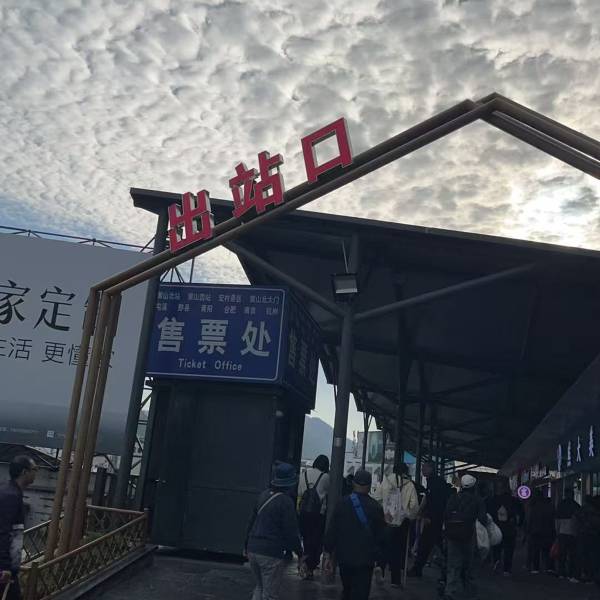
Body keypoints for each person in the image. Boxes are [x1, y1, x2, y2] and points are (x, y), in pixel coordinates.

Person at [324, 469, 386, 600]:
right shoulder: (376, 507)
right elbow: (381, 537)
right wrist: (380, 561)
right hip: (365, 560)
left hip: (344, 558)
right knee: (360, 594)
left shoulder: (342, 503)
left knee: (347, 590)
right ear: (369, 486)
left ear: (353, 483)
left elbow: (332, 530)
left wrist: (328, 554)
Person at [246, 462, 303, 600]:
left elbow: (251, 522)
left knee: (259, 587)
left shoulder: (263, 495)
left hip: (253, 548)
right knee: (270, 594)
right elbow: (291, 532)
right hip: (270, 552)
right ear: (290, 483)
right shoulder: (286, 502)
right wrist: (299, 552)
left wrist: (245, 545)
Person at [372, 463, 418, 587]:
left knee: (383, 546)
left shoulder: (386, 482)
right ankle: (395, 580)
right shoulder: (409, 485)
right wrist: (409, 516)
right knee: (397, 550)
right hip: (401, 524)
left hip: (385, 520)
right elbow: (414, 506)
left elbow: (376, 498)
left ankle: (380, 568)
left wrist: (384, 513)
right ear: (405, 472)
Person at [443, 473, 487, 600]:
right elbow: (482, 519)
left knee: (453, 565)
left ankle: (450, 591)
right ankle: (470, 593)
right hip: (470, 535)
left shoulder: (453, 498)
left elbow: (446, 514)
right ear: (474, 486)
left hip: (452, 535)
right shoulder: (478, 500)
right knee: (470, 566)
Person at [0, 456, 37, 600]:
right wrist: (4, 566)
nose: (36, 473)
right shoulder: (10, 496)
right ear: (24, 472)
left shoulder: (10, 492)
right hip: (4, 570)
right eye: (34, 469)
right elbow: (3, 531)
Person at [408, 461, 451, 578]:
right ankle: (420, 568)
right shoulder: (433, 481)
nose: (422, 470)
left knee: (426, 544)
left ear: (431, 468)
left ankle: (419, 569)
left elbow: (436, 502)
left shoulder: (435, 483)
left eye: (424, 468)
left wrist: (429, 516)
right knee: (431, 544)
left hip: (434, 519)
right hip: (436, 518)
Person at [297, 455, 330, 580]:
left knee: (306, 540)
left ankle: (305, 562)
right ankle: (310, 566)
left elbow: (300, 493)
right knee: (317, 540)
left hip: (304, 513)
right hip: (318, 515)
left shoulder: (303, 475)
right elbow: (329, 494)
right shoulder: (325, 477)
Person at [487, 478, 523, 576]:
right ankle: (507, 569)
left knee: (496, 547)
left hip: (496, 528)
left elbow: (488, 515)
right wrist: (519, 525)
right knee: (509, 549)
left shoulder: (493, 500)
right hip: (510, 528)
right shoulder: (514, 501)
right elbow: (521, 514)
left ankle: (496, 561)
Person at [526, 489, 555, 574]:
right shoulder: (549, 506)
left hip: (535, 531)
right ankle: (549, 567)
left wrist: (528, 531)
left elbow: (529, 520)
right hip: (548, 531)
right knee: (547, 550)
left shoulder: (533, 507)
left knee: (536, 551)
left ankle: (536, 568)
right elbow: (553, 519)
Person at [555, 488, 580, 582]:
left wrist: (557, 532)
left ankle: (561, 573)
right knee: (572, 554)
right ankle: (571, 573)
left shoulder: (561, 505)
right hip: (573, 533)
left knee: (562, 554)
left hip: (562, 532)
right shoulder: (576, 505)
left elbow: (557, 520)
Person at [575, 495, 600, 583]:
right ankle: (591, 575)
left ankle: (585, 574)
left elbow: (576, 518)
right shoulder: (595, 510)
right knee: (593, 556)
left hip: (584, 534)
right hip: (593, 535)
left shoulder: (583, 509)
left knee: (584, 555)